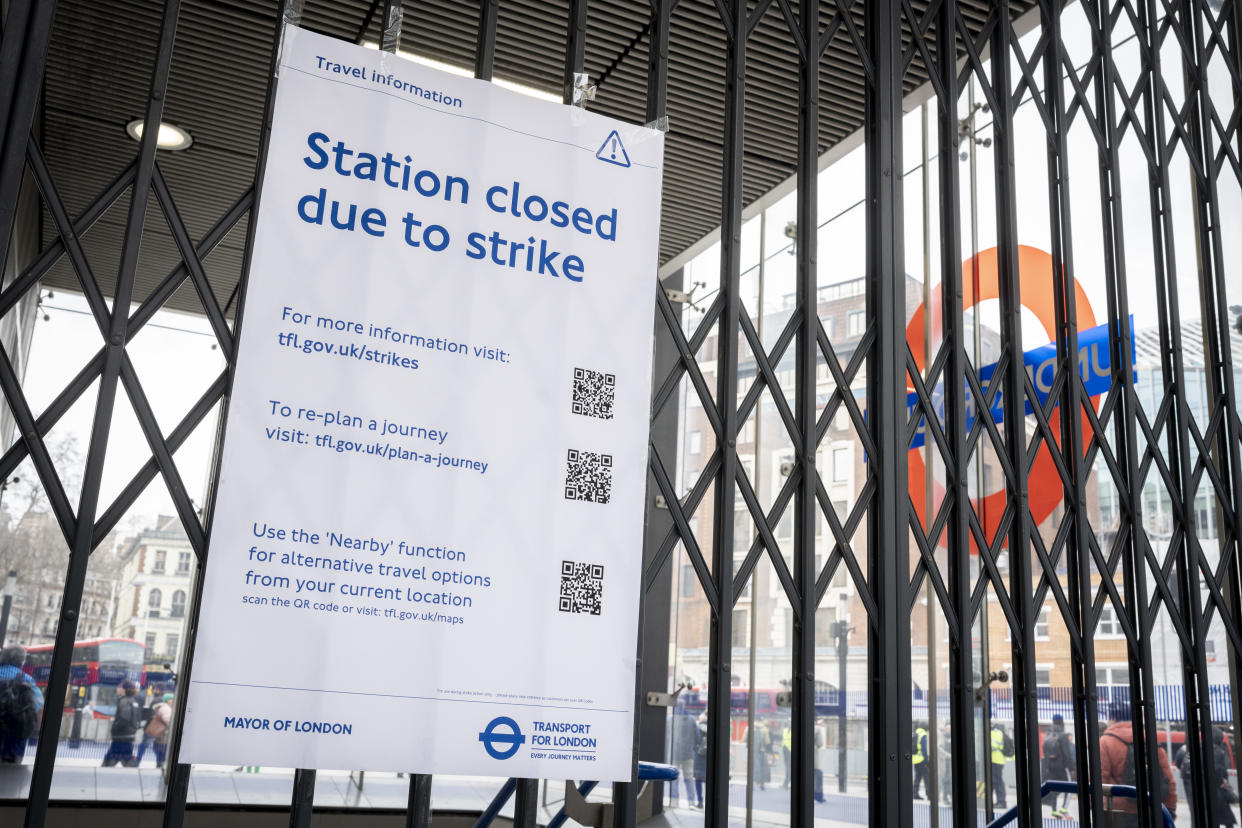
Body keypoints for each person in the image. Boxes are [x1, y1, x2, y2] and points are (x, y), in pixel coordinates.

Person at [1099, 702, 1177, 824]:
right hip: (1150, 808)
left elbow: (1100, 778)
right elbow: (1168, 779)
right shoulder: (1150, 738)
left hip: (1118, 811)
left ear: (1113, 718)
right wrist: (1170, 808)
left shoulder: (1105, 742)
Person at [0, 645, 43, 764]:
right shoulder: (26, 680)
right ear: (21, 662)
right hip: (15, 741)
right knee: (10, 778)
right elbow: (38, 705)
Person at [102, 680, 142, 767]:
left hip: (121, 736)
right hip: (128, 735)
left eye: (119, 687)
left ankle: (102, 773)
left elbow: (124, 718)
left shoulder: (125, 701)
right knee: (125, 757)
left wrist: (114, 728)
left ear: (124, 689)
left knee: (113, 756)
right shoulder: (133, 701)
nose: (117, 689)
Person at [1041, 714, 1074, 818]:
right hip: (1062, 767)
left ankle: (1054, 811)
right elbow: (1066, 753)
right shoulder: (1063, 735)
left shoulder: (1048, 734)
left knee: (1053, 787)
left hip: (1050, 766)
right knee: (1070, 786)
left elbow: (1045, 751)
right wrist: (1071, 767)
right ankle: (1064, 809)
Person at [668, 705, 699, 806]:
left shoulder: (670, 719)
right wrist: (692, 748)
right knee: (689, 778)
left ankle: (674, 801)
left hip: (674, 753)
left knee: (674, 777)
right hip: (688, 754)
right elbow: (697, 737)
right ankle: (691, 802)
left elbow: (667, 736)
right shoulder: (691, 720)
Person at [146, 694, 174, 768]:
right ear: (167, 700)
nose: (173, 700)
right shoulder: (166, 708)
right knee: (162, 758)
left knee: (161, 758)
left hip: (161, 738)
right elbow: (169, 721)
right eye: (172, 699)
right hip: (163, 737)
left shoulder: (166, 708)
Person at [990, 724, 1014, 810]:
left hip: (995, 760)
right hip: (998, 760)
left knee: (998, 782)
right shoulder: (1000, 733)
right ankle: (1000, 801)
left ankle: (1001, 802)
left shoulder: (995, 733)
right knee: (996, 781)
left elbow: (992, 745)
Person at [691, 713, 707, 808]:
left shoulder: (697, 727)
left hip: (698, 757)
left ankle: (700, 801)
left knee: (698, 780)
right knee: (707, 779)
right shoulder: (714, 727)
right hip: (707, 758)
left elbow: (694, 741)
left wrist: (696, 750)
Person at [912, 721, 930, 800]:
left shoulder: (915, 733)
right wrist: (926, 760)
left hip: (915, 759)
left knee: (917, 777)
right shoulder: (923, 734)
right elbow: (924, 748)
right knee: (926, 777)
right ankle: (929, 794)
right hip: (922, 759)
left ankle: (915, 794)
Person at [781, 722, 792, 788]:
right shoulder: (785, 730)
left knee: (789, 768)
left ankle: (786, 783)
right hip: (785, 750)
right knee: (788, 767)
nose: (789, 723)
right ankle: (786, 782)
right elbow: (783, 739)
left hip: (791, 751)